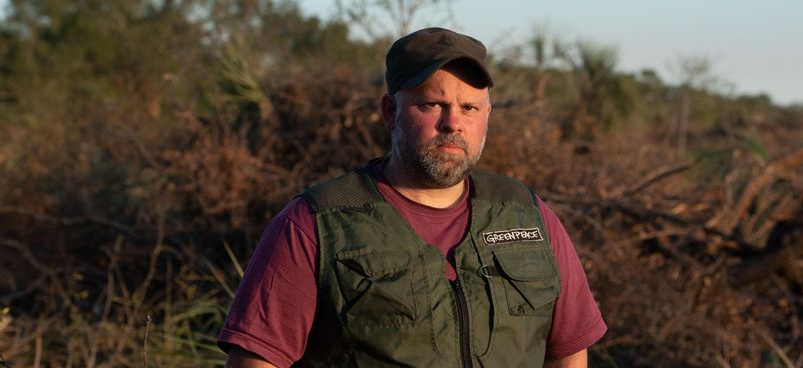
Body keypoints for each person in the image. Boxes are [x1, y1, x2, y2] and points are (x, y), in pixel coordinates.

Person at [218, 27, 606, 367]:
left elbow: (568, 348)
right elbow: (257, 360)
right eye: (432, 104)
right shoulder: (316, 224)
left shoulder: (526, 215)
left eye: (469, 107)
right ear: (390, 112)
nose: (453, 122)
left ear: (487, 116)